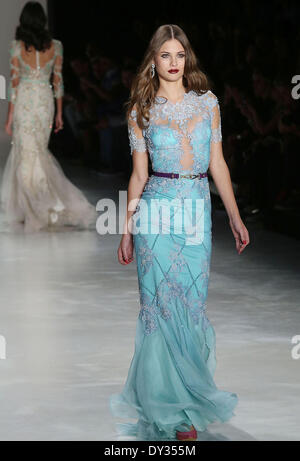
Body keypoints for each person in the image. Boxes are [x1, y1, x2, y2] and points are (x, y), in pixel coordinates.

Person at [110, 24, 250, 441]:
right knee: (160, 308)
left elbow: (218, 165)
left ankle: (187, 399)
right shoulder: (141, 109)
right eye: (165, 55)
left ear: (187, 59)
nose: (173, 63)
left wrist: (235, 217)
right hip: (156, 210)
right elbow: (138, 175)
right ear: (153, 61)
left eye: (180, 55)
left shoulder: (208, 104)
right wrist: (127, 230)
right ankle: (169, 413)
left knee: (190, 305)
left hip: (196, 209)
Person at [2, 1, 97, 232]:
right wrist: (60, 112)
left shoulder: (16, 47)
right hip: (45, 101)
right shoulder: (56, 46)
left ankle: (39, 207)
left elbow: (14, 85)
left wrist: (9, 117)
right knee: (36, 153)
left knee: (28, 155)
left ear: (23, 21)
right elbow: (58, 82)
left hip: (26, 100)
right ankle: (38, 206)